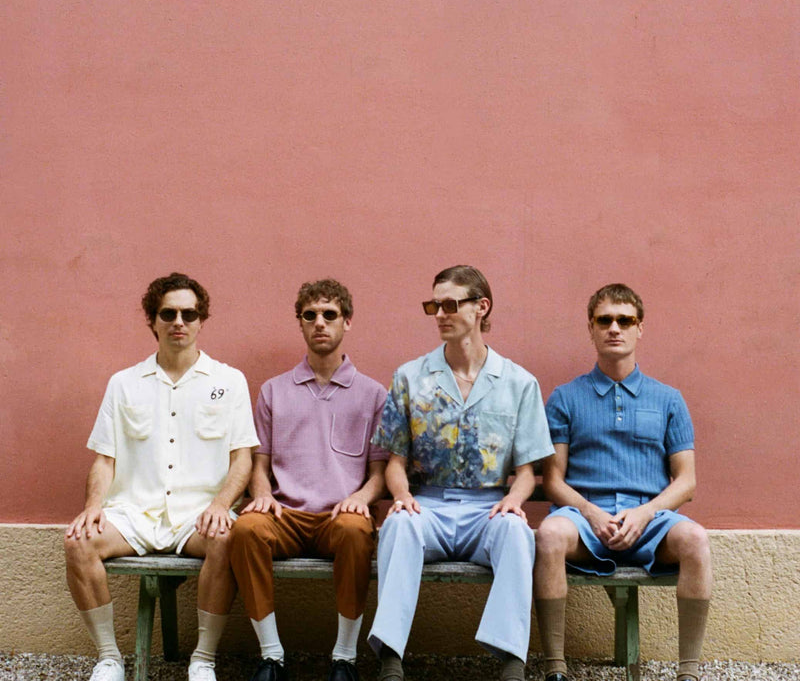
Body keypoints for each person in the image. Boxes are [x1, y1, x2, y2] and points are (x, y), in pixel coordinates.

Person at [64, 272, 259, 681]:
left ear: (202, 320)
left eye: (189, 313)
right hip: (134, 512)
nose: (178, 322)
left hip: (197, 515)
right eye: (168, 313)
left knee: (228, 537)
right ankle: (109, 659)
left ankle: (203, 659)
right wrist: (92, 508)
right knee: (78, 542)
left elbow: (243, 458)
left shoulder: (229, 381)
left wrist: (222, 505)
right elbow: (104, 459)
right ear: (152, 320)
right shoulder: (123, 384)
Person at [367, 265, 554, 681]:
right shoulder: (410, 377)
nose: (439, 314)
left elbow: (527, 471)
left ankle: (511, 661)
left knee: (517, 533)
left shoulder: (518, 383)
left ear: (481, 307)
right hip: (428, 504)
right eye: (433, 305)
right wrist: (402, 497)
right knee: (398, 527)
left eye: (450, 304)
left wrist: (512, 501)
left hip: (486, 509)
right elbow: (395, 463)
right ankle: (391, 659)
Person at [534, 283, 712, 681]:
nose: (615, 328)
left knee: (696, 540)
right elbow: (554, 480)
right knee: (547, 535)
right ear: (591, 329)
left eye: (625, 320)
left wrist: (647, 514)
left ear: (639, 328)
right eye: (605, 320)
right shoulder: (565, 398)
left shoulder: (669, 399)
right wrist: (592, 513)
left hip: (651, 523)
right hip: (584, 522)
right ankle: (555, 669)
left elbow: (687, 482)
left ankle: (689, 672)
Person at [230, 279, 388, 681]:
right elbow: (259, 463)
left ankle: (344, 659)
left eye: (330, 315)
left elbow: (379, 472)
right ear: (299, 323)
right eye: (310, 315)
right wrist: (262, 494)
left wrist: (361, 498)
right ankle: (271, 656)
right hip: (284, 515)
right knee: (246, 528)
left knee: (357, 532)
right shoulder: (273, 391)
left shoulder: (372, 394)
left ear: (347, 322)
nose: (320, 323)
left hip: (339, 515)